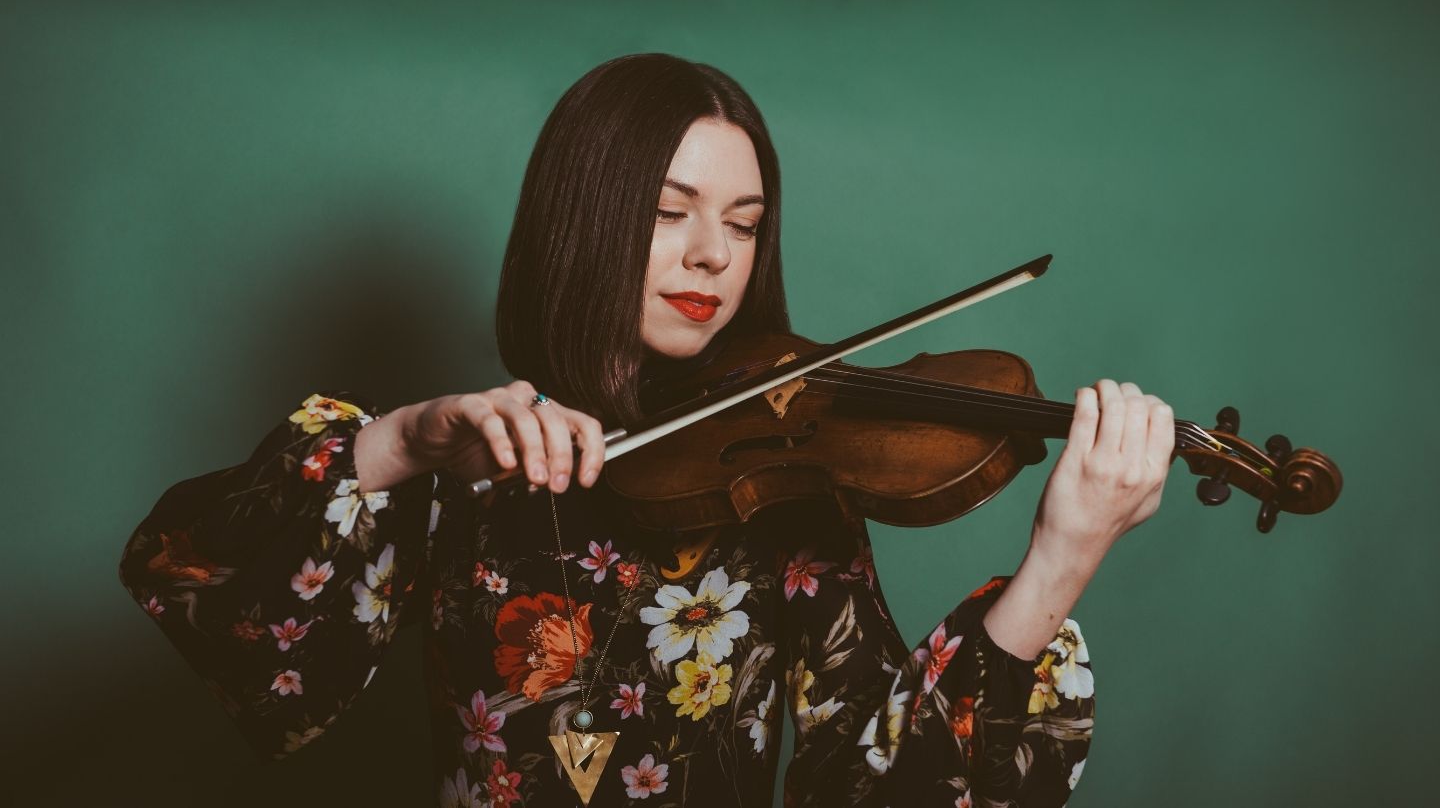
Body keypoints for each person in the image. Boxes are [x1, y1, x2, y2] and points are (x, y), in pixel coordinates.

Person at [119, 53, 1174, 807]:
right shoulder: (463, 463)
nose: (715, 254)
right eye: (671, 213)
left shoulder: (787, 489)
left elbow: (877, 784)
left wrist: (1060, 560)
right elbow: (209, 597)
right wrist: (401, 441)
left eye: (746, 224)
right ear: (586, 215)